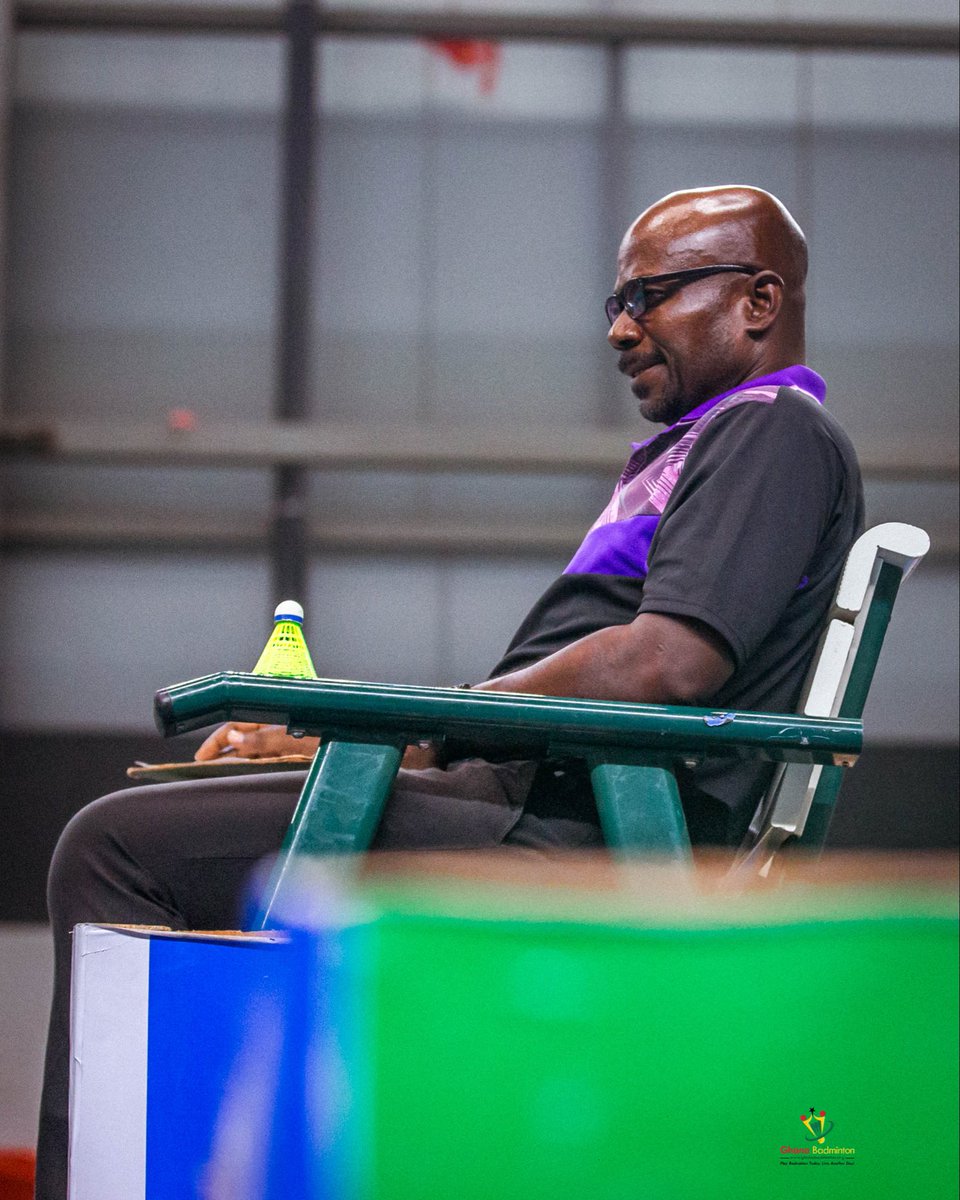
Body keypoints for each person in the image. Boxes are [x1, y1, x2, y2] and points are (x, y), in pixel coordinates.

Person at [35, 185, 863, 1199]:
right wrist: (372, 743)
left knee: (112, 852)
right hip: (540, 797)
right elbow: (577, 692)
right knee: (148, 840)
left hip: (575, 826)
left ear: (759, 300)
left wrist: (424, 728)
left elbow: (665, 665)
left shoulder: (772, 433)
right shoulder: (708, 445)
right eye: (615, 301)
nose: (619, 328)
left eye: (650, 296)